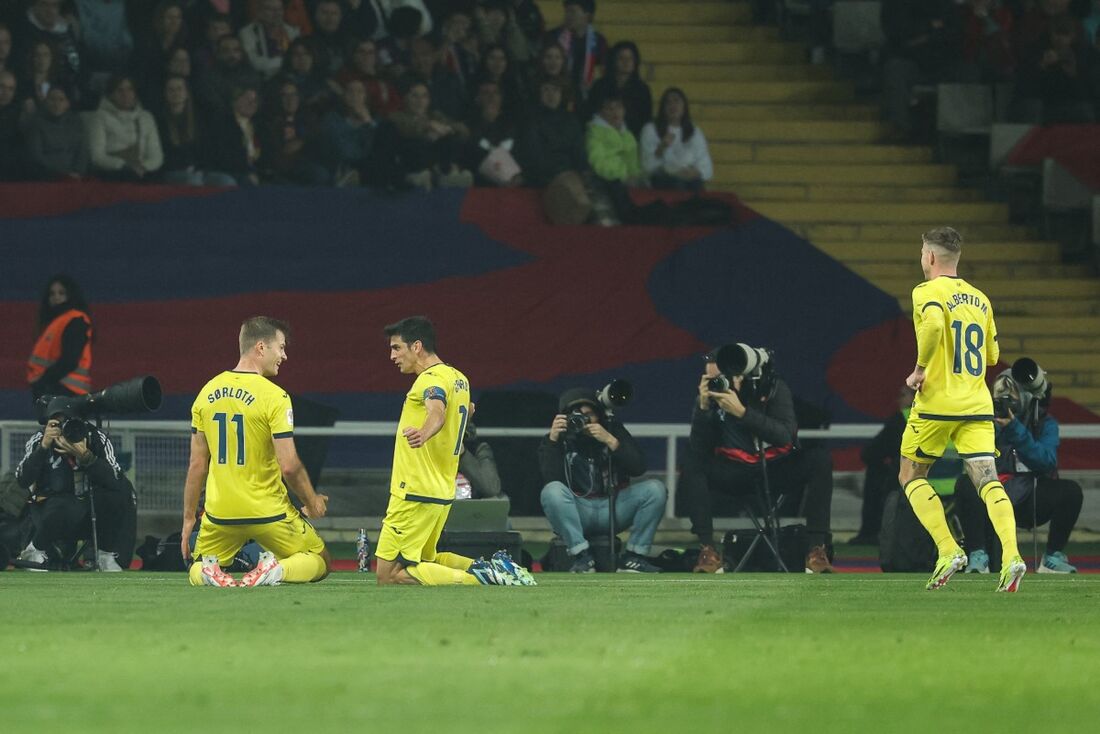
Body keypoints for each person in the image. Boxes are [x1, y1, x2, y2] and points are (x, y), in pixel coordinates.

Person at [899, 226, 1025, 592]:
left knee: (910, 475)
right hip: (976, 403)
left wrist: (921, 368)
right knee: (987, 479)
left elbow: (936, 324)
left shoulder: (926, 291)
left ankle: (948, 549)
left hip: (938, 402)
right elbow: (993, 355)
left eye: (923, 252)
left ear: (931, 257)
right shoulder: (980, 299)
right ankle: (1013, 556)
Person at [374, 316, 534, 586]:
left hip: (414, 492)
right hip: (441, 491)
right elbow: (467, 410)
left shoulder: (429, 380)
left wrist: (425, 431)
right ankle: (493, 567)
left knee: (387, 575)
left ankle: (481, 579)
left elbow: (436, 410)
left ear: (417, 346)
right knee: (427, 559)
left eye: (396, 348)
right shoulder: (459, 378)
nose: (392, 355)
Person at [182, 316, 332, 587]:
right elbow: (289, 465)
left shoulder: (206, 393)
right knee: (321, 559)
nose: (284, 356)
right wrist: (311, 501)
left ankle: (206, 572)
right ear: (261, 348)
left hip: (220, 514)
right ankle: (275, 571)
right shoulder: (275, 396)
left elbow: (197, 466)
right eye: (281, 347)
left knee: (198, 566)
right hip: (269, 512)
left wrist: (188, 519)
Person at [682, 349, 836, 574]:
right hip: (734, 472)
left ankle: (816, 550)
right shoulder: (709, 400)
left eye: (720, 378)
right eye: (709, 380)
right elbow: (699, 449)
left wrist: (742, 413)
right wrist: (703, 409)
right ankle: (708, 550)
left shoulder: (773, 388)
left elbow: (785, 435)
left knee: (820, 459)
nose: (716, 384)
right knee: (692, 461)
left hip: (776, 469)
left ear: (738, 375)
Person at [958, 363, 1083, 574]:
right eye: (1001, 397)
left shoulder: (1044, 423)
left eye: (1012, 397)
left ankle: (1052, 557)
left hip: (1030, 498)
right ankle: (978, 556)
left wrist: (1014, 428)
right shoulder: (986, 423)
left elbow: (1046, 462)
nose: (1007, 403)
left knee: (1070, 491)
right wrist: (995, 426)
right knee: (965, 483)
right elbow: (974, 457)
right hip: (993, 495)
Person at [539, 388, 667, 573]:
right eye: (578, 416)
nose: (584, 420)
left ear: (599, 415)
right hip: (578, 510)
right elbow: (551, 480)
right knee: (551, 491)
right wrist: (554, 440)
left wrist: (610, 440)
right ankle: (582, 557)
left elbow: (639, 467)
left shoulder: (612, 430)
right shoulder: (558, 440)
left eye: (590, 414)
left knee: (656, 489)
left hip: (613, 507)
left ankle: (634, 557)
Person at [15, 404, 137, 572]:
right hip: (51, 513)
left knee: (123, 490)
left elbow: (115, 480)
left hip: (90, 513)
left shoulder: (93, 437)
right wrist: (43, 447)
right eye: (57, 425)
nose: (64, 430)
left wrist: (86, 456)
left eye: (69, 423)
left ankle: (104, 555)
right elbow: (22, 479)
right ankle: (35, 549)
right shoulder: (40, 439)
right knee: (65, 503)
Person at [86, 74, 164, 181]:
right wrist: (124, 166)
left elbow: (156, 155)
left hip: (142, 175)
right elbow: (97, 156)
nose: (125, 94)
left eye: (130, 89)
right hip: (111, 176)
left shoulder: (146, 117)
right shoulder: (99, 118)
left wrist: (143, 167)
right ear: (111, 94)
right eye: (120, 90)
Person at [27, 276, 93, 401]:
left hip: (66, 390)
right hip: (56, 388)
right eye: (52, 293)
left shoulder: (75, 320)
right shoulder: (57, 322)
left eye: (61, 293)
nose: (56, 297)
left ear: (71, 295)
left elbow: (70, 360)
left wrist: (43, 381)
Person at [639, 87, 713, 192]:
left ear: (684, 106)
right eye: (668, 102)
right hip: (660, 178)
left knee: (696, 184)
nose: (672, 105)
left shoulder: (695, 132)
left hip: (688, 177)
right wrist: (662, 148)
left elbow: (706, 166)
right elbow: (647, 166)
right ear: (663, 108)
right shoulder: (650, 129)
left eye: (676, 101)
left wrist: (695, 172)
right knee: (677, 183)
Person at [585, 41, 651, 138]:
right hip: (602, 139)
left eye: (630, 58)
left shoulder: (642, 90)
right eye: (621, 58)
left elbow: (645, 121)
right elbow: (592, 114)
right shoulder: (600, 86)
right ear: (613, 60)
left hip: (632, 140)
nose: (626, 62)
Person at [547, 0, 606, 104]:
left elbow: (603, 71)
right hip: (557, 95)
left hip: (587, 97)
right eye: (566, 11)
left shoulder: (599, 42)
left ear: (587, 16)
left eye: (572, 12)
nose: (567, 16)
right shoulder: (553, 37)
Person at [24, 85, 87, 180]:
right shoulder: (36, 123)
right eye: (52, 99)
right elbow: (36, 157)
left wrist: (78, 172)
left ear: (68, 103)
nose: (56, 103)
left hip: (75, 176)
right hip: (46, 176)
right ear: (45, 101)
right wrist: (65, 173)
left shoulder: (76, 122)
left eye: (61, 100)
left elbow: (82, 151)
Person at [239, 0, 301, 79]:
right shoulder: (247, 33)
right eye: (270, 9)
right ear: (259, 12)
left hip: (292, 78)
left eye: (279, 9)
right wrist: (287, 63)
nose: (277, 13)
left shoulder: (292, 31)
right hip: (264, 81)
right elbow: (254, 62)